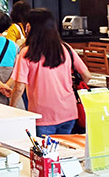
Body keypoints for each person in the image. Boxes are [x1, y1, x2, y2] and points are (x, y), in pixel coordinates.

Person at [9, 8, 91, 136]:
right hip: (69, 111)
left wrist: (12, 108)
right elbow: (86, 75)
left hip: (42, 115)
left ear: (29, 27)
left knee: (46, 154)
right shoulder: (65, 48)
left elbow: (19, 87)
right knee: (66, 152)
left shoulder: (27, 53)